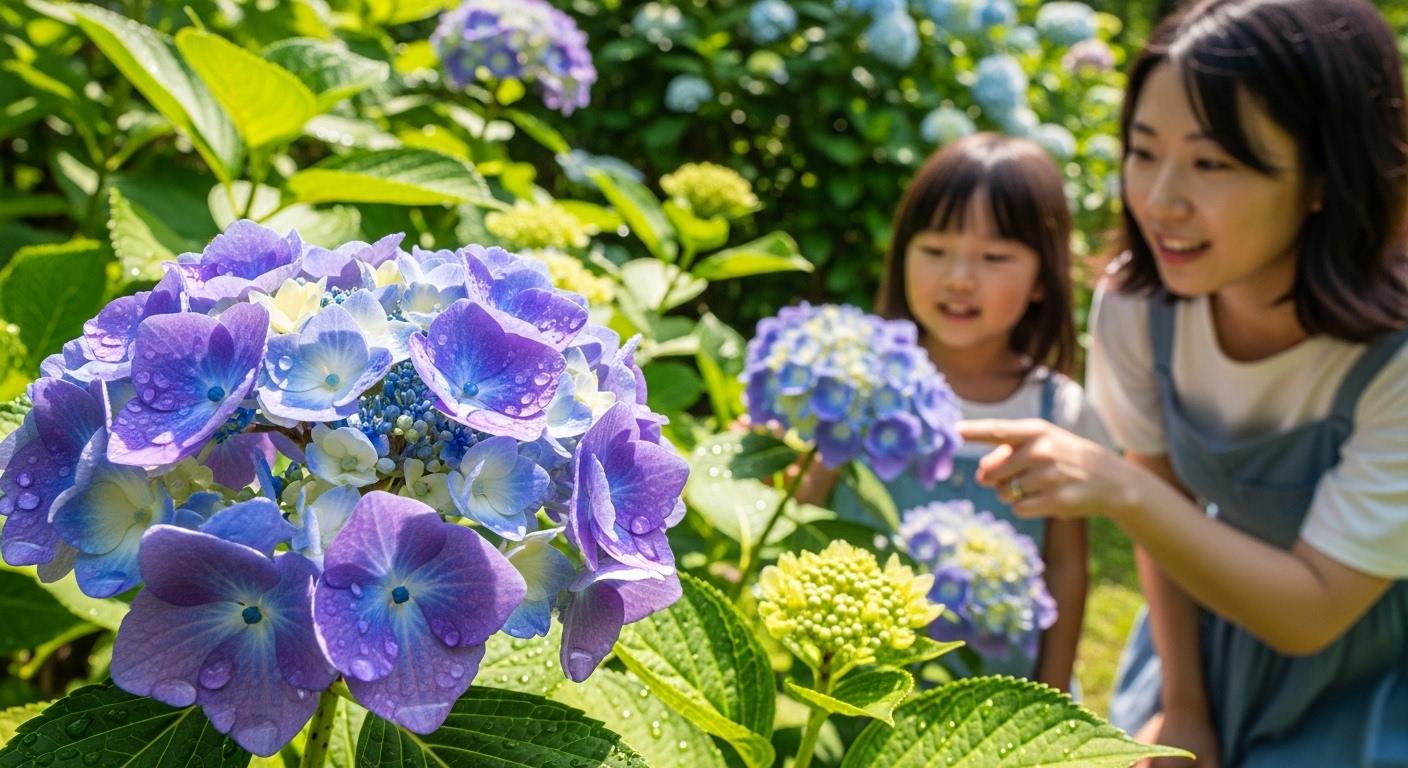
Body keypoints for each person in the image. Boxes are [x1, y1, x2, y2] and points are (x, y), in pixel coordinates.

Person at [959, 0, 1408, 765]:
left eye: (1212, 162)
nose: (1161, 200)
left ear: (1323, 177)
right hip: (1198, 632)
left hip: (1363, 668)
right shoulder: (1142, 303)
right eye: (1143, 150)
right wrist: (1183, 706)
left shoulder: (1393, 357)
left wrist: (1120, 488)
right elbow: (1164, 523)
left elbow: (1315, 610)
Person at [800, 132, 1110, 690]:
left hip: (991, 689)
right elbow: (803, 510)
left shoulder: (1056, 409)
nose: (959, 278)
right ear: (902, 255)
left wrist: (1055, 688)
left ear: (1044, 278)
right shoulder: (862, 383)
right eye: (935, 250)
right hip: (848, 679)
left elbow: (1066, 563)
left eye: (994, 257)